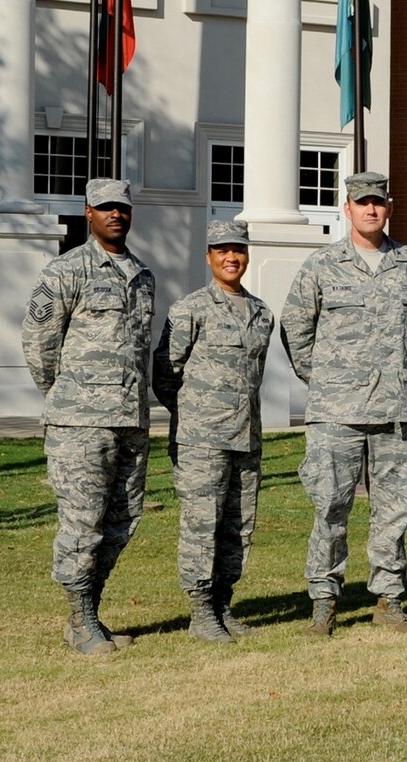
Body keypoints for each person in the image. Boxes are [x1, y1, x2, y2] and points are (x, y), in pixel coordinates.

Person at [281, 171, 407, 636]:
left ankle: (389, 599)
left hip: (395, 411)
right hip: (337, 413)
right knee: (330, 507)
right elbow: (295, 330)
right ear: (347, 208)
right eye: (362, 202)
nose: (371, 210)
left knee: (394, 510)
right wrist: (326, 379)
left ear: (389, 207)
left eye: (378, 202)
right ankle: (324, 600)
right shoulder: (321, 265)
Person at [21, 178, 155, 656]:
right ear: (88, 212)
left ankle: (90, 611)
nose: (115, 215)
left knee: (123, 520)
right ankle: (80, 621)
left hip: (131, 422)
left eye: (122, 208)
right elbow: (39, 345)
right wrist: (65, 396)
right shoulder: (64, 271)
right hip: (80, 424)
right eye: (105, 208)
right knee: (82, 522)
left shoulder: (142, 274)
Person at [152, 220, 273, 643]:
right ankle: (201, 612)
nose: (231, 257)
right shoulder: (190, 309)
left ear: (247, 255)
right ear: (209, 257)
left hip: (246, 438)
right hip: (201, 441)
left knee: (238, 526)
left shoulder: (262, 313)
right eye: (221, 250)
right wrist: (196, 417)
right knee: (202, 528)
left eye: (237, 249)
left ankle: (224, 605)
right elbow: (165, 374)